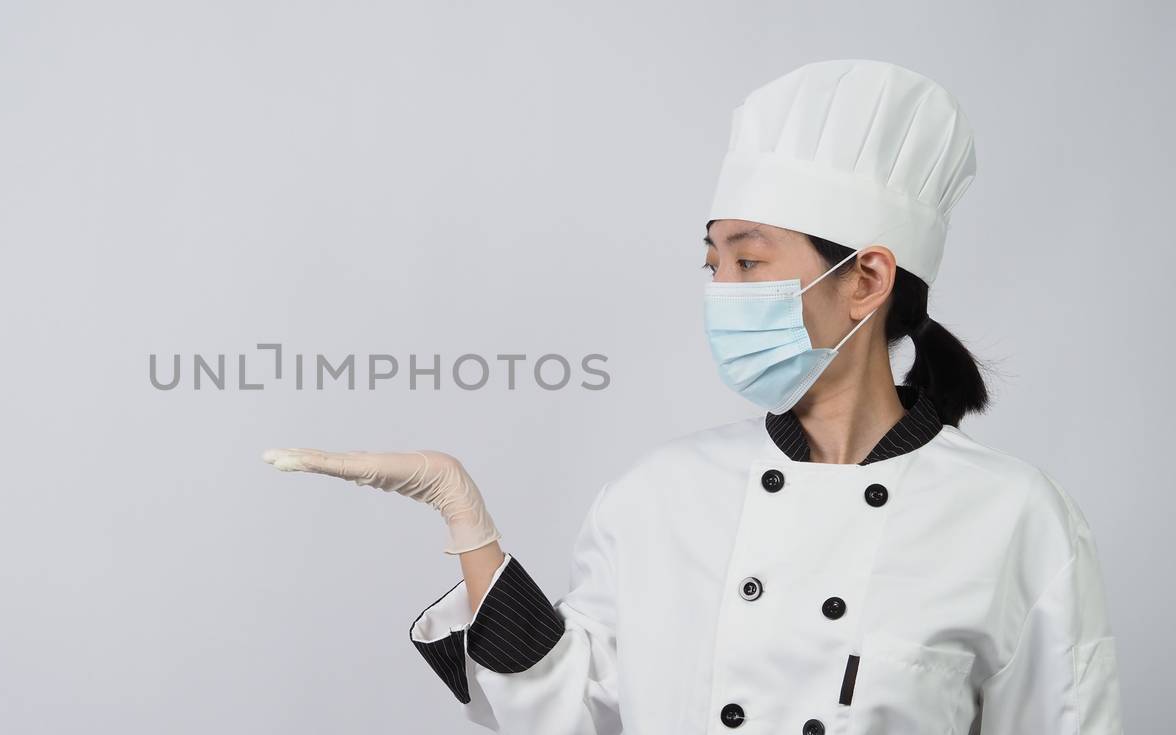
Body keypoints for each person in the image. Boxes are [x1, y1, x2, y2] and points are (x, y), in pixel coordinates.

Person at [262, 59, 1123, 734]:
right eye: (713, 263)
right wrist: (463, 513)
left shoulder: (1014, 521)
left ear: (864, 279)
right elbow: (559, 710)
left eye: (749, 262)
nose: (722, 289)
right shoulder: (657, 496)